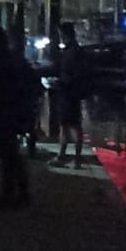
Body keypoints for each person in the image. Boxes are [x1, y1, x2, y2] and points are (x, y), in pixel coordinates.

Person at [0, 27, 37, 208]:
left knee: (8, 154)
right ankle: (21, 191)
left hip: (3, 110)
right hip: (16, 110)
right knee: (12, 153)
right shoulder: (14, 60)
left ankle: (9, 194)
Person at [53, 22, 88, 167]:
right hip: (72, 93)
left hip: (69, 93)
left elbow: (73, 74)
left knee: (69, 125)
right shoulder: (75, 50)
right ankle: (73, 157)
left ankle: (67, 156)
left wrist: (60, 82)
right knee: (70, 125)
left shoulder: (71, 52)